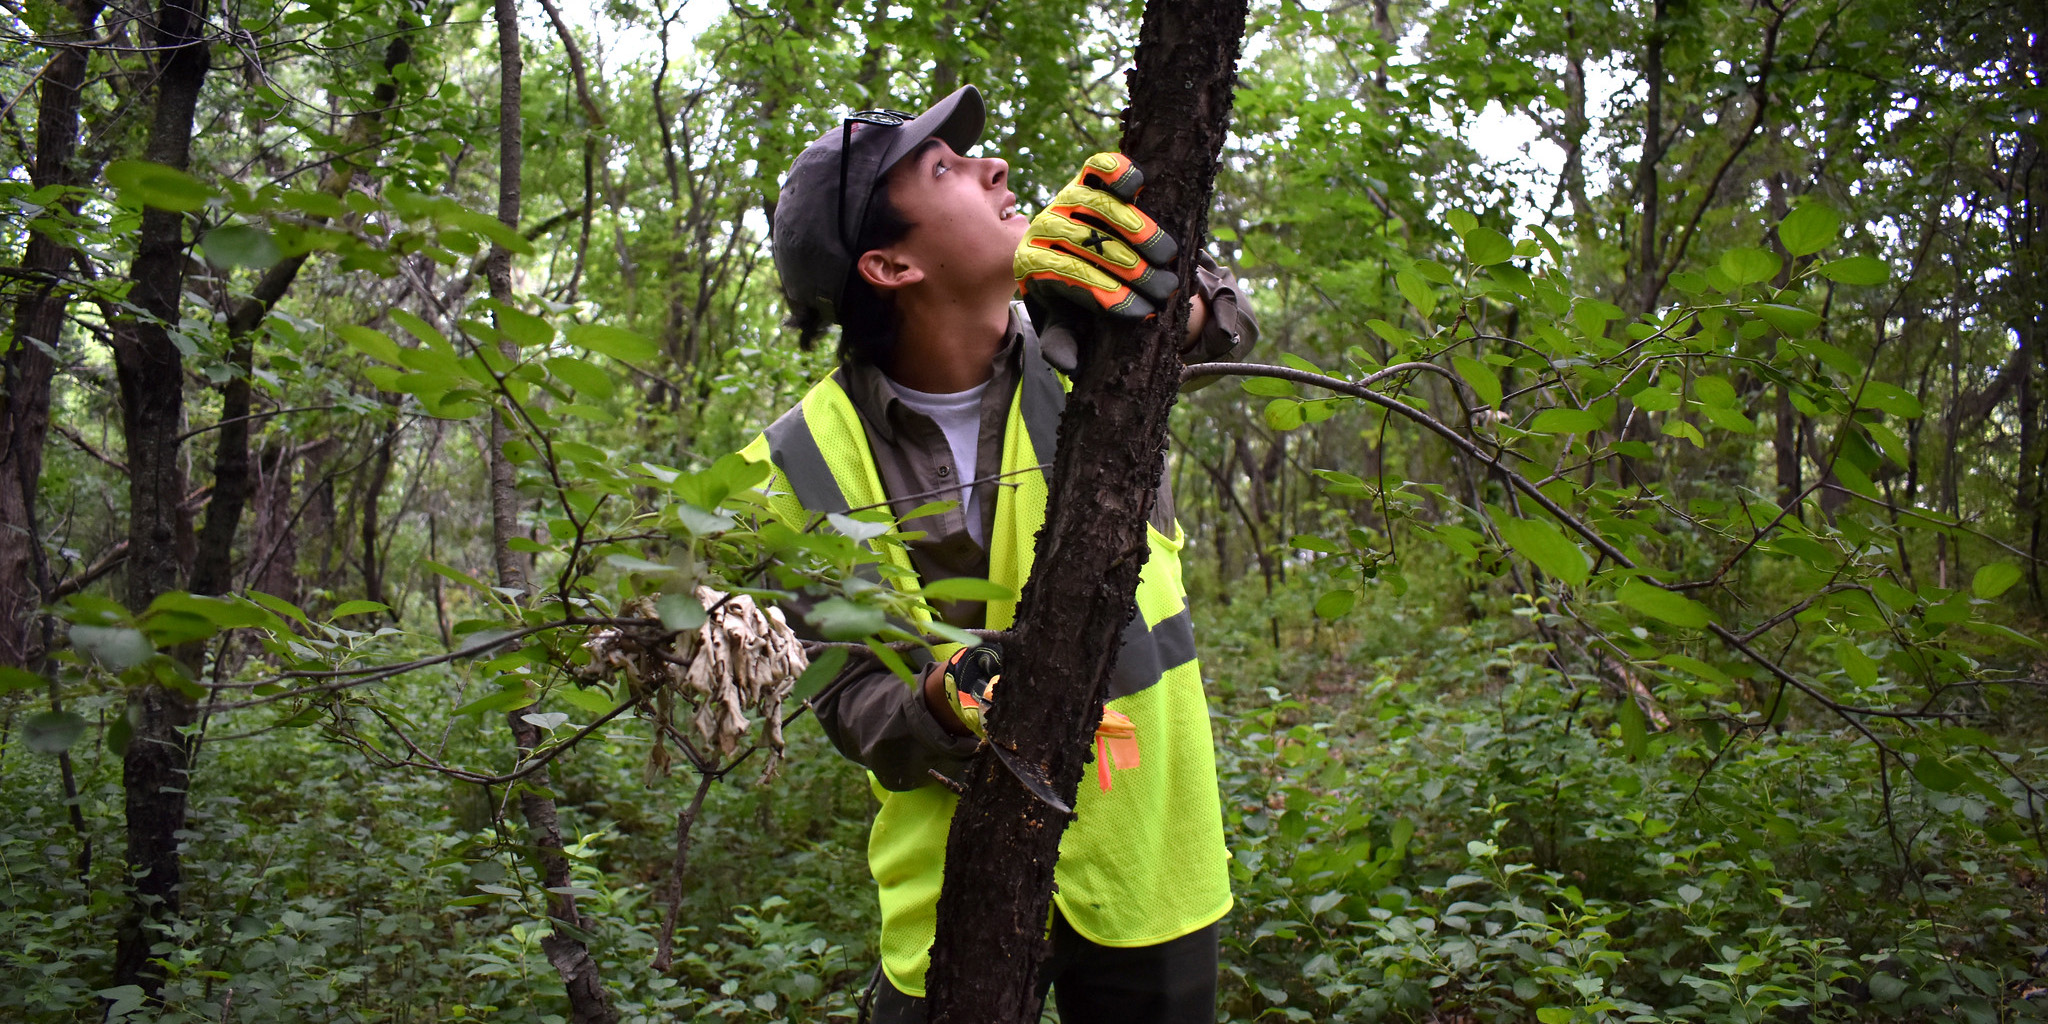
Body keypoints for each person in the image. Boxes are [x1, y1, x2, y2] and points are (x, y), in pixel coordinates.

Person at [738, 84, 1258, 1023]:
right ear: (890, 265)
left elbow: (1224, 319)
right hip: (949, 890)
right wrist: (945, 697)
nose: (995, 167)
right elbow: (851, 700)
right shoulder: (789, 468)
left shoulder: (1087, 347)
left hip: (1148, 861)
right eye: (944, 168)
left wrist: (1162, 309)